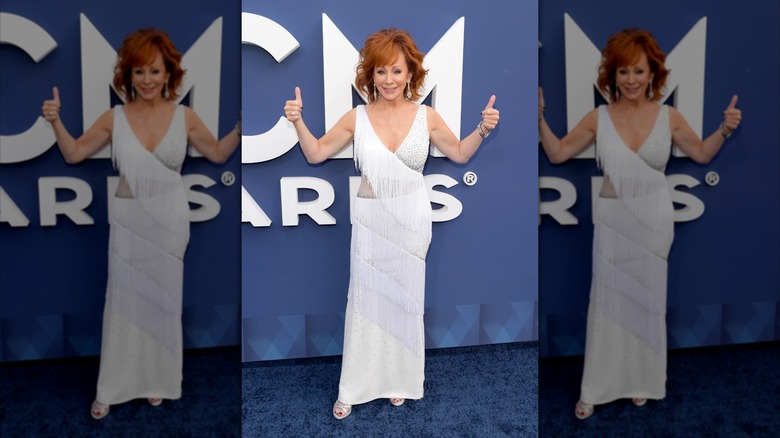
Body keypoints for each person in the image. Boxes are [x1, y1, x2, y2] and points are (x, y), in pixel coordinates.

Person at [283, 28, 499, 419]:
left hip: (412, 223)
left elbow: (461, 154)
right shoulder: (356, 117)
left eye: (396, 71)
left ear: (411, 74)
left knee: (404, 304)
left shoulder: (427, 116)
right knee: (365, 303)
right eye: (380, 72)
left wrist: (483, 129)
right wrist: (297, 122)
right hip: (370, 221)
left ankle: (398, 380)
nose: (388, 81)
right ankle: (353, 387)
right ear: (370, 75)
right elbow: (315, 154)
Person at [538, 28, 742, 420]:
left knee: (647, 306)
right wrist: (540, 119)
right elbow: (559, 153)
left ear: (653, 75)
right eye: (623, 72)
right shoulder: (600, 117)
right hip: (613, 223)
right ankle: (595, 388)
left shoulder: (669, 117)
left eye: (638, 71)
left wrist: (725, 130)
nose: (631, 80)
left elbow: (700, 154)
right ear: (612, 76)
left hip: (653, 222)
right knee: (607, 304)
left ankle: (641, 381)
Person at [41, 28, 240, 420]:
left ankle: (157, 381)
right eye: (138, 72)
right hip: (129, 222)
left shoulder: (185, 116)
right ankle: (111, 388)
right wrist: (55, 122)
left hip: (169, 222)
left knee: (163, 305)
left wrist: (238, 129)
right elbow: (75, 154)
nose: (147, 80)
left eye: (154, 71)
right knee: (123, 303)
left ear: (169, 74)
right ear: (127, 77)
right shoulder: (115, 118)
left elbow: (217, 154)